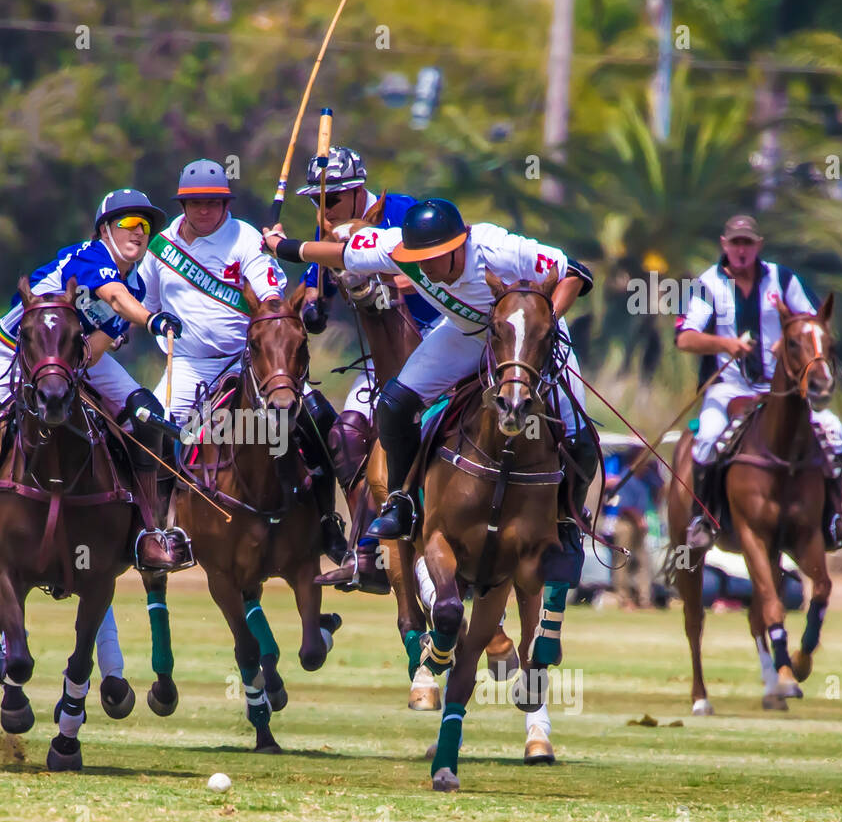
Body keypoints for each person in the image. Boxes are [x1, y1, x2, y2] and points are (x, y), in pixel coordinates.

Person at [264, 198, 598, 666]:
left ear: (458, 245)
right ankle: (401, 501)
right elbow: (343, 255)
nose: (425, 270)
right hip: (465, 336)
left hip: (529, 338)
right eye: (416, 262)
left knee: (580, 433)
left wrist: (544, 323)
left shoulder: (499, 247)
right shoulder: (399, 248)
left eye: (433, 260)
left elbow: (576, 273)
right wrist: (286, 247)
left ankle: (569, 521)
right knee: (394, 405)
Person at [0, 188, 188, 583]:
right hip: (14, 352)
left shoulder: (138, 286)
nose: (139, 232)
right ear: (105, 230)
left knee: (148, 417)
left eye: (145, 226)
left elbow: (95, 348)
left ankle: (147, 529)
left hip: (73, 358)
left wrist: (74, 372)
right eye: (129, 223)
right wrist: (153, 320)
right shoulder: (91, 258)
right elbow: (115, 297)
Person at [136, 159, 349, 564]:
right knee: (155, 430)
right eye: (196, 203)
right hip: (187, 365)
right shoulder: (159, 248)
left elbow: (269, 298)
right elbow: (145, 307)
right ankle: (162, 532)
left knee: (314, 421)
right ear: (182, 205)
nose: (205, 210)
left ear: (225, 203)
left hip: (249, 364)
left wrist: (299, 309)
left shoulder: (245, 238)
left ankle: (327, 524)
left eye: (213, 202)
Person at [294, 146, 441, 590]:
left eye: (334, 198)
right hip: (385, 357)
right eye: (318, 202)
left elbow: (425, 269)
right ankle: (370, 552)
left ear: (361, 194)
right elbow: (308, 291)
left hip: (438, 337)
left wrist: (372, 275)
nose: (325, 208)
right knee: (346, 433)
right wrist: (312, 307)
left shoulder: (406, 214)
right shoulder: (328, 237)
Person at [677, 214, 842, 551]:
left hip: (778, 389)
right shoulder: (707, 284)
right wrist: (726, 345)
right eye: (735, 243)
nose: (742, 250)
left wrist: (788, 342)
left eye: (748, 242)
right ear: (725, 245)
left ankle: (835, 518)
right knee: (705, 437)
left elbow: (812, 322)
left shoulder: (783, 279)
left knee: (834, 430)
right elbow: (685, 339)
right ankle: (702, 520)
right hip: (728, 389)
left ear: (758, 245)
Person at [607, 462, 654, 608]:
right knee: (623, 561)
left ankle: (644, 599)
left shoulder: (645, 479)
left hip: (640, 523)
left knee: (643, 561)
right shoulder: (626, 477)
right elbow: (624, 505)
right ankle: (624, 598)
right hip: (626, 523)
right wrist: (639, 520)